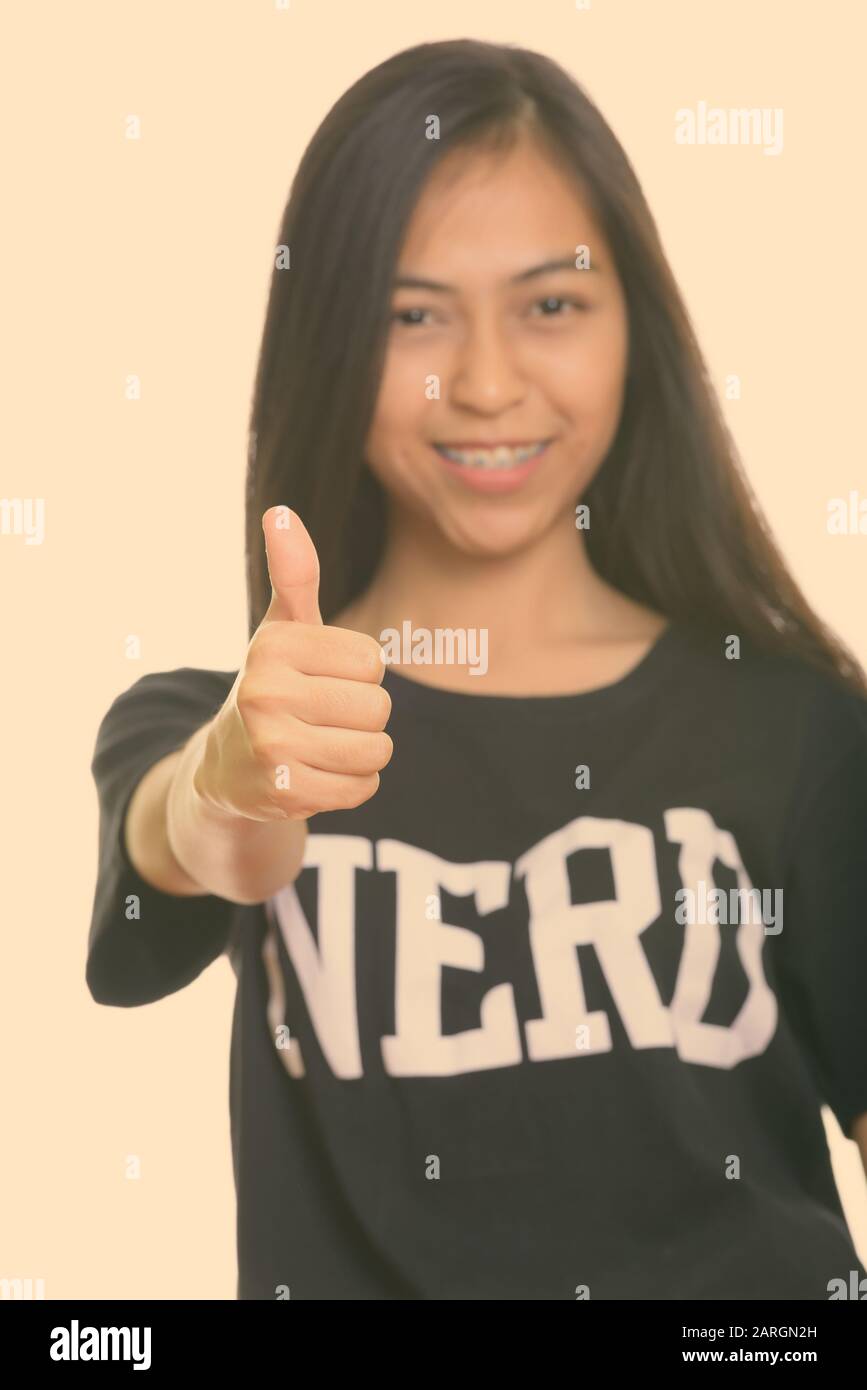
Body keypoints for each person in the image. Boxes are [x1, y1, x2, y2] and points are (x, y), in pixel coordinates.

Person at [87, 38, 867, 1300]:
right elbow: (202, 842)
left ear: (637, 324)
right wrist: (231, 779)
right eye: (413, 315)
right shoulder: (218, 725)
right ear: (330, 331)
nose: (491, 383)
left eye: (551, 304)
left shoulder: (802, 731)